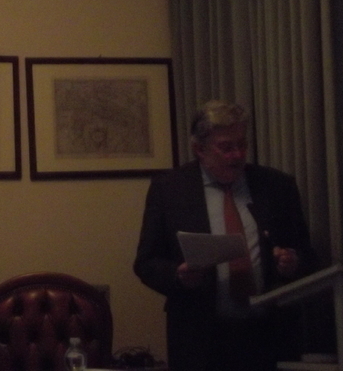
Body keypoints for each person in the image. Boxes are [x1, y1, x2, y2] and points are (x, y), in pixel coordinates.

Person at [133, 100, 315, 371]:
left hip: (269, 335)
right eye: (226, 147)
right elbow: (146, 263)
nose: (237, 155)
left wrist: (292, 262)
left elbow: (307, 255)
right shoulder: (169, 189)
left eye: (242, 145)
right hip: (200, 338)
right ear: (199, 149)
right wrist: (178, 276)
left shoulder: (277, 186)